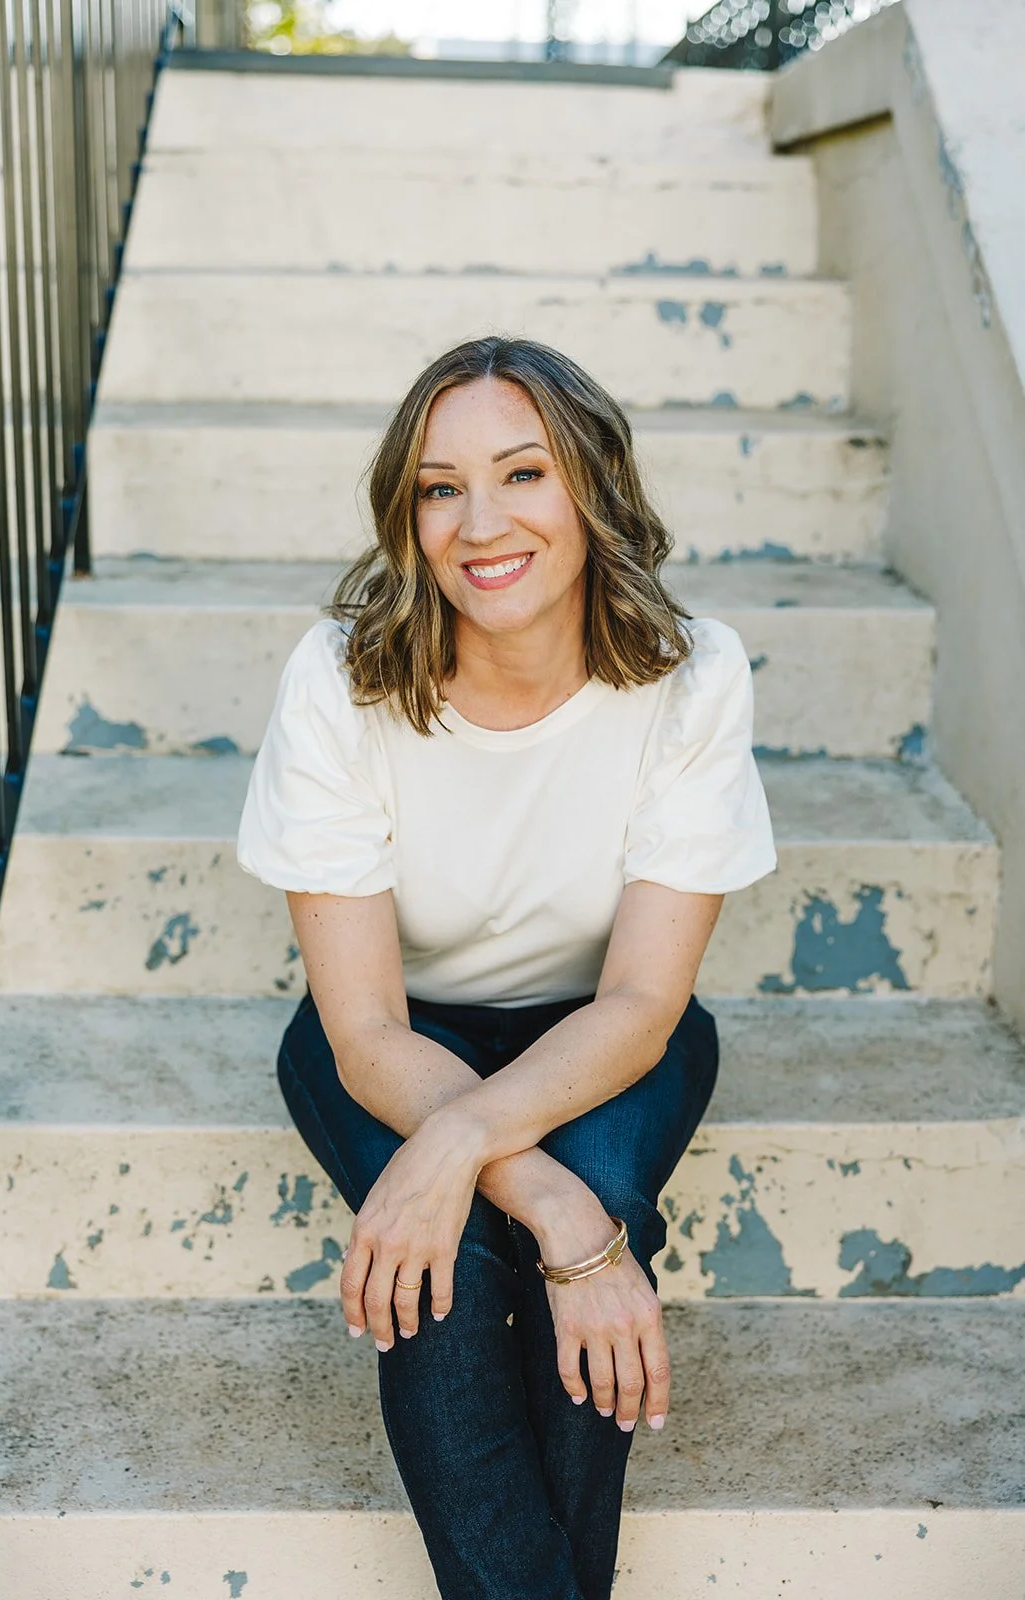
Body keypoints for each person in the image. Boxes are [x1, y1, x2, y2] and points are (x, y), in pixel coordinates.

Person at [236, 335, 777, 1600]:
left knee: (554, 1210)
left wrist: (466, 1147)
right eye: (438, 486)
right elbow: (362, 1027)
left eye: (523, 473)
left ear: (590, 482)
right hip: (384, 1031)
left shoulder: (692, 678)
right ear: (405, 509)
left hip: (603, 1028)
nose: (479, 522)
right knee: (470, 1255)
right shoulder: (339, 681)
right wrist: (558, 1212)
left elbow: (643, 1002)